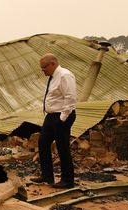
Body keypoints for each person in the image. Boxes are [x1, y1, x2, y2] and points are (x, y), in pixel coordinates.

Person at [30, 53, 77, 189]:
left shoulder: (64, 75)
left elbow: (70, 97)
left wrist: (62, 118)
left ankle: (67, 181)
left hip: (62, 116)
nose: (43, 70)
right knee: (43, 143)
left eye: (44, 67)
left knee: (62, 148)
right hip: (51, 116)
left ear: (53, 64)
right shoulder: (53, 77)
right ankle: (47, 176)